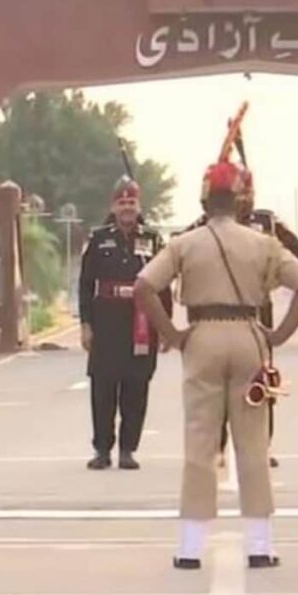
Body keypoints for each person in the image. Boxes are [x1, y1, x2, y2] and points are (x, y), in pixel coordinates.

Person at [135, 160, 298, 569]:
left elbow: (144, 285)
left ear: (204, 200)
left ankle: (190, 547)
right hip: (249, 334)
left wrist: (171, 333)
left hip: (202, 334)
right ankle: (259, 545)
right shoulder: (262, 243)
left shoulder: (186, 242)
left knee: (201, 440)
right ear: (239, 201)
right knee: (252, 442)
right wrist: (281, 333)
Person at [79, 176, 170, 470]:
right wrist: (86, 324)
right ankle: (102, 449)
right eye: (122, 203)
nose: (127, 208)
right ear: (113, 206)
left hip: (141, 322)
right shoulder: (98, 239)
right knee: (103, 389)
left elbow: (164, 286)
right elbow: (86, 284)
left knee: (136, 387)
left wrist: (166, 327)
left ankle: (128, 449)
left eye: (131, 202)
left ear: (139, 205)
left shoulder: (154, 239)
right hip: (106, 321)